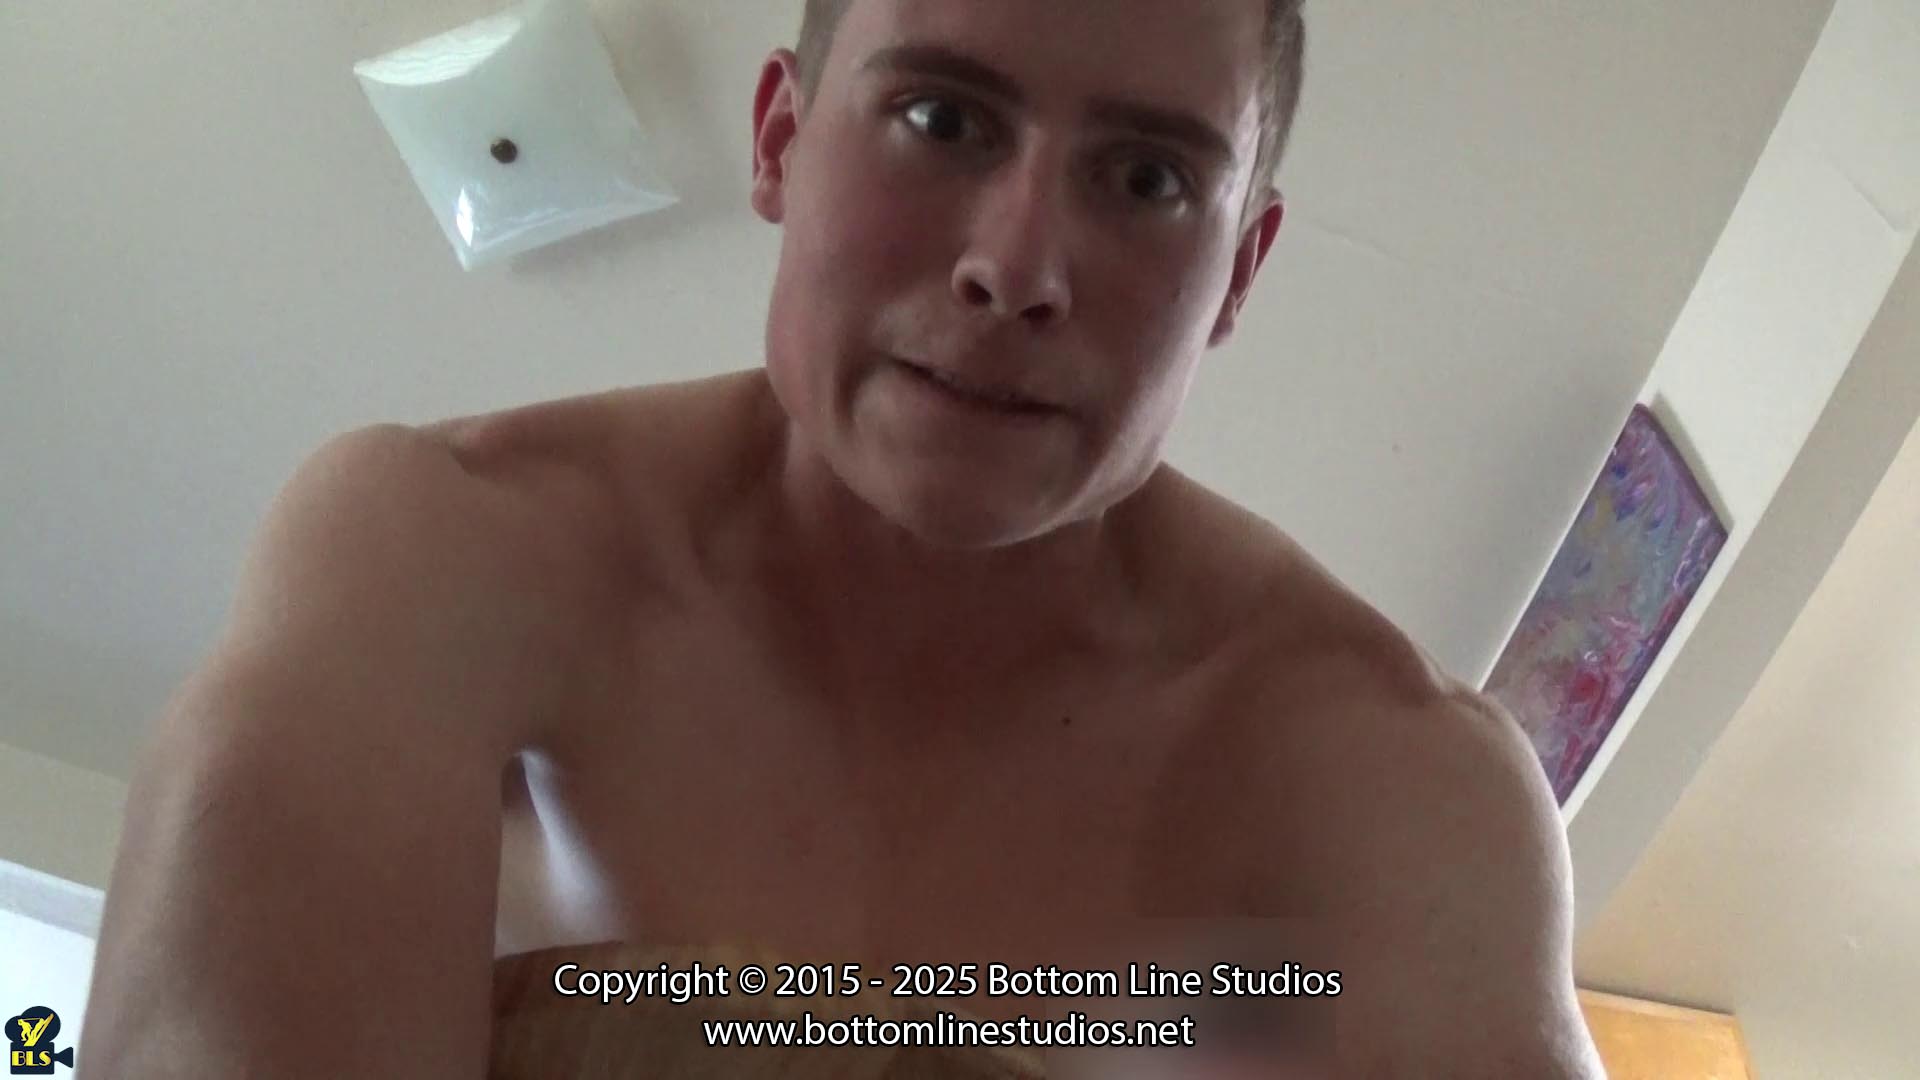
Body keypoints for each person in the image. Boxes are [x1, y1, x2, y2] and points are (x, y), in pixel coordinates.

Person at [78, 0, 1605, 1076]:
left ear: (1242, 271)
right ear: (780, 140)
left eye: (1147, 179)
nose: (1019, 266)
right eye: (942, 119)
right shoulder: (447, 553)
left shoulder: (1401, 791)